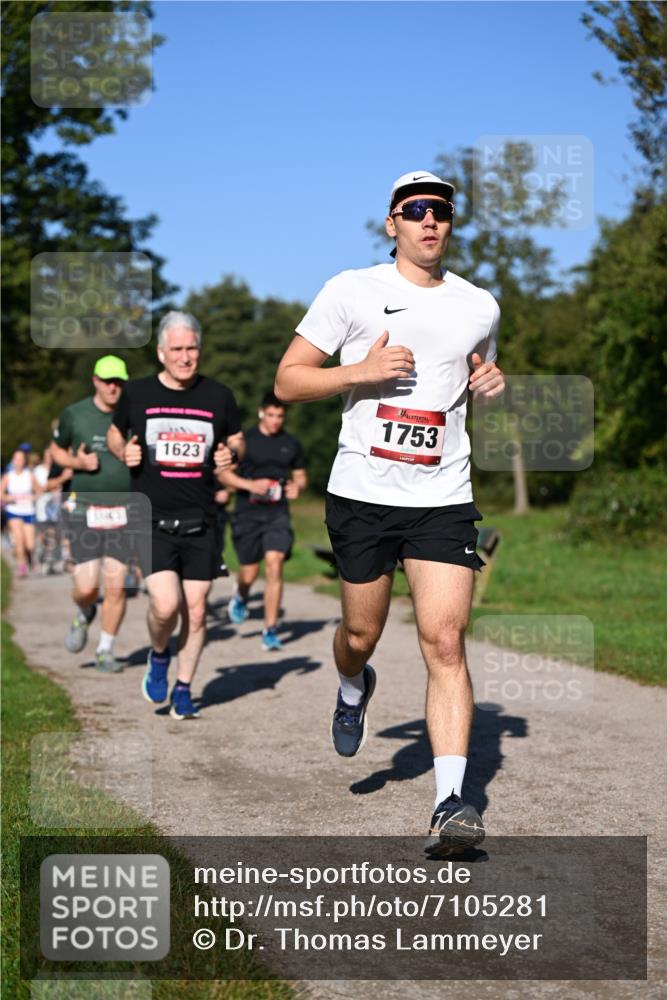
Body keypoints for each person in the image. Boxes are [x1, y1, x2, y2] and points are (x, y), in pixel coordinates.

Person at [275, 170, 505, 851]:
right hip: (362, 495)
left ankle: (449, 804)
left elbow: (472, 378)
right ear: (391, 224)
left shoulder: (478, 307)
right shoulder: (351, 291)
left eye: (440, 212)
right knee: (360, 634)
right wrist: (358, 374)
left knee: (443, 639)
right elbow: (287, 380)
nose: (428, 221)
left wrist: (491, 383)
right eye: (415, 211)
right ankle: (352, 687)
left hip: (441, 495)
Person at [107, 310, 244, 720]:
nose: (186, 357)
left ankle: (184, 687)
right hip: (152, 517)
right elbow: (116, 431)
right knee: (165, 606)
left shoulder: (218, 396)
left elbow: (236, 438)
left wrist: (231, 453)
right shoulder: (137, 393)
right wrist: (121, 451)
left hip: (201, 518)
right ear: (162, 352)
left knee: (198, 609)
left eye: (192, 349)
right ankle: (160, 653)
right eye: (178, 349)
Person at [51, 356, 133, 673]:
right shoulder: (75, 413)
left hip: (125, 509)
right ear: (95, 381)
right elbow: (57, 450)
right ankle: (84, 612)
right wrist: (77, 464)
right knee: (87, 588)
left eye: (119, 382)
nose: (114, 387)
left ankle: (105, 650)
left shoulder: (133, 412)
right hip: (84, 507)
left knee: (116, 586)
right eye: (108, 381)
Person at [222, 391, 307, 651]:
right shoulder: (244, 440)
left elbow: (301, 477)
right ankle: (241, 594)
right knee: (249, 572)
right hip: (247, 513)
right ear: (261, 413)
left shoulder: (291, 444)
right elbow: (224, 474)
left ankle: (270, 630)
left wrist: (298, 488)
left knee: (274, 563)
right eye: (271, 415)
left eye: (280, 416)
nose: (275, 421)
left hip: (277, 514)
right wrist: (250, 485)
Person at [1, 448, 41, 577]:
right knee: (19, 540)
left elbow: (39, 491)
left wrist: (33, 497)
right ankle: (22, 568)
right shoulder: (8, 476)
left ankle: (29, 556)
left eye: (21, 459)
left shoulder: (29, 475)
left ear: (24, 461)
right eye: (16, 459)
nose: (19, 461)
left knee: (30, 544)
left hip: (28, 511)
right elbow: (1, 493)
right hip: (13, 511)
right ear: (13, 461)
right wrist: (8, 498)